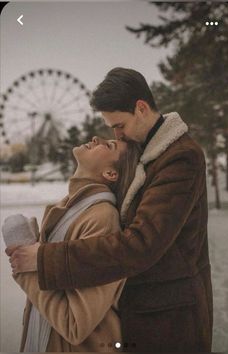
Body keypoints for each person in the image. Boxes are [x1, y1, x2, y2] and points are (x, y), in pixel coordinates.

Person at [7, 67, 213, 352]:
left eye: (119, 126)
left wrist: (43, 259)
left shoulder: (180, 157)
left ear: (141, 108)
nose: (117, 135)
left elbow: (141, 245)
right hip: (144, 312)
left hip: (168, 318)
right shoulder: (144, 151)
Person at [4, 137, 141, 352]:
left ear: (110, 174)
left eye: (109, 145)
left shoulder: (102, 219)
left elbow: (75, 325)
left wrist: (26, 272)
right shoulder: (67, 209)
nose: (96, 138)